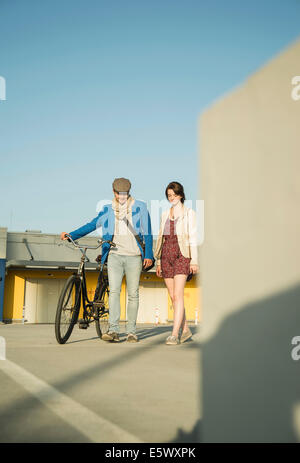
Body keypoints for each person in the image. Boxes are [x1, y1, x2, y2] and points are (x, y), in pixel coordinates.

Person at [61, 177, 154, 343]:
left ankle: (132, 332)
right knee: (114, 292)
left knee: (133, 294)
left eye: (125, 193)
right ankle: (113, 331)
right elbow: (92, 225)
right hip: (114, 255)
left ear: (129, 192)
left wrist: (148, 255)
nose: (122, 196)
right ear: (114, 192)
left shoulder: (140, 207)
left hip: (134, 256)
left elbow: (147, 232)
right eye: (119, 193)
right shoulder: (108, 209)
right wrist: (71, 235)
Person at [154, 181, 198, 345]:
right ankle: (186, 329)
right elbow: (161, 238)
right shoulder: (165, 214)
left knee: (178, 295)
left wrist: (194, 261)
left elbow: (193, 238)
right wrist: (158, 261)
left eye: (174, 194)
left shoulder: (189, 213)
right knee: (173, 296)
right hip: (166, 255)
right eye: (169, 195)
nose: (171, 198)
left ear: (181, 195)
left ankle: (174, 334)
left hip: (182, 255)